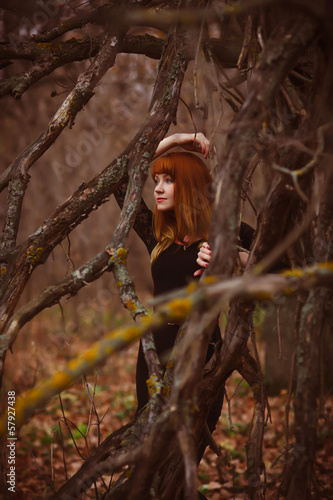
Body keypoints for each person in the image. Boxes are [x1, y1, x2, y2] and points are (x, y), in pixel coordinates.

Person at [135, 133, 254, 470]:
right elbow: (123, 177)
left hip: (202, 358)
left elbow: (280, 259)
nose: (157, 188)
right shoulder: (159, 238)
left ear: (188, 186)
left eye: (168, 180)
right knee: (151, 468)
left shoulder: (224, 230)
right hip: (153, 357)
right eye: (156, 180)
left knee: (180, 465)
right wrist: (178, 139)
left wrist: (233, 258)